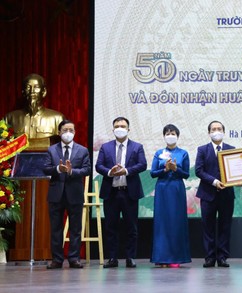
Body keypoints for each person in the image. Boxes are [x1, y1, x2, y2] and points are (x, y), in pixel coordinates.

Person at [95, 117, 147, 268]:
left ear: (128, 129)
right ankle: (112, 258)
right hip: (111, 192)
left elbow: (142, 164)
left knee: (132, 227)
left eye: (123, 126)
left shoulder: (137, 147)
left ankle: (130, 257)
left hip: (129, 192)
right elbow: (99, 166)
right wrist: (110, 172)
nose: (120, 128)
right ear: (113, 129)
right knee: (111, 227)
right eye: (117, 126)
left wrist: (127, 171)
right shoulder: (106, 147)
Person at [43, 119, 91, 269]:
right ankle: (57, 259)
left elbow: (87, 170)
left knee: (75, 228)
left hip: (75, 193)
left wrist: (71, 171)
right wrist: (58, 169)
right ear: (59, 132)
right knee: (56, 228)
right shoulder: (51, 150)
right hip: (56, 194)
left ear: (75, 132)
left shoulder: (82, 150)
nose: (68, 133)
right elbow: (45, 168)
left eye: (71, 130)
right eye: (65, 130)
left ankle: (74, 258)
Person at [150, 124, 191, 268]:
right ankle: (161, 258)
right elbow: (152, 173)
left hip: (176, 189)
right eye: (167, 133)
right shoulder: (159, 152)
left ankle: (176, 257)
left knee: (176, 221)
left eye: (173, 133)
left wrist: (176, 169)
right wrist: (165, 169)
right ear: (164, 136)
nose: (170, 135)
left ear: (177, 136)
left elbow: (186, 174)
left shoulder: (183, 153)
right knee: (162, 223)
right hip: (162, 189)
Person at [195, 121, 235, 268]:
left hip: (227, 194)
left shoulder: (231, 149)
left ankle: (223, 257)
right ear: (209, 132)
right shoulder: (202, 150)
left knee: (225, 226)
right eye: (213, 129)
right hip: (208, 194)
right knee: (208, 227)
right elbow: (199, 171)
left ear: (224, 132)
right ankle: (210, 257)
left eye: (219, 129)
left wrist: (240, 179)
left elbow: (235, 170)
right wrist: (214, 181)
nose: (216, 131)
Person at [5, 73, 64, 139]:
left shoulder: (57, 119)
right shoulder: (10, 118)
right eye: (28, 87)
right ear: (23, 92)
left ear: (44, 92)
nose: (32, 91)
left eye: (36, 87)